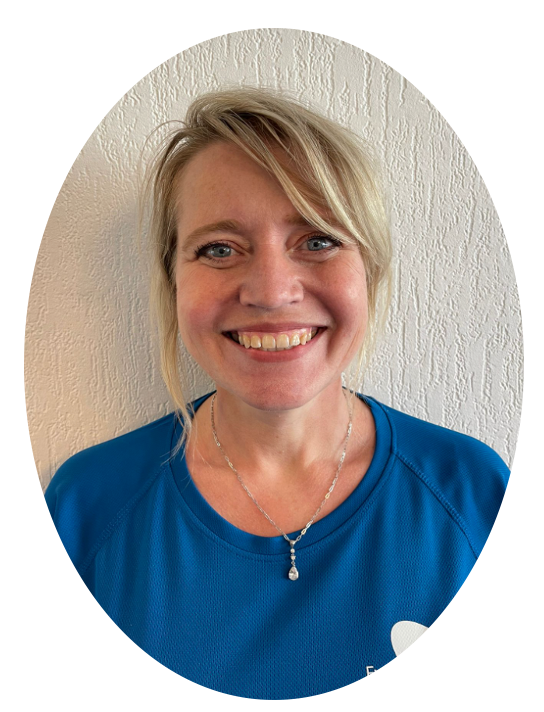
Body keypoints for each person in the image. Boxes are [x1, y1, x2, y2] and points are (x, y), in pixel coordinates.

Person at [45, 87, 509, 699]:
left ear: (369, 270)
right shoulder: (87, 510)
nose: (269, 291)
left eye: (317, 240)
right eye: (219, 249)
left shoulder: (473, 496)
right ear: (173, 280)